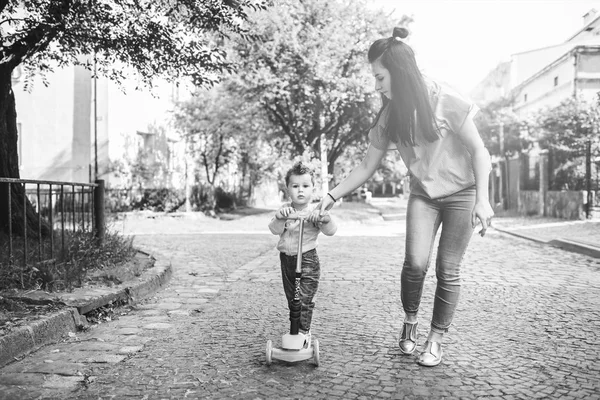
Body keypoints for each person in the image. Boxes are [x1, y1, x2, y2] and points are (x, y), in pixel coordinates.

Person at [319, 27, 494, 367]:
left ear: (398, 72)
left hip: (463, 194)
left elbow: (480, 150)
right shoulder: (390, 115)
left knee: (448, 269)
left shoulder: (445, 98)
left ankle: (436, 339)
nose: (376, 85)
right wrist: (332, 194)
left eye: (379, 76)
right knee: (415, 264)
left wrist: (483, 199)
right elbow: (367, 164)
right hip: (424, 196)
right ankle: (411, 320)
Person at [269, 161, 337, 347]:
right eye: (295, 186)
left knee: (304, 299)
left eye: (305, 186)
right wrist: (279, 217)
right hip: (287, 260)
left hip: (307, 259)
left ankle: (303, 332)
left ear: (313, 189)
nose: (300, 190)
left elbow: (331, 231)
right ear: (287, 189)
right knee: (293, 299)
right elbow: (274, 230)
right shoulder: (285, 210)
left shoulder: (315, 211)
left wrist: (324, 219)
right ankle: (294, 330)